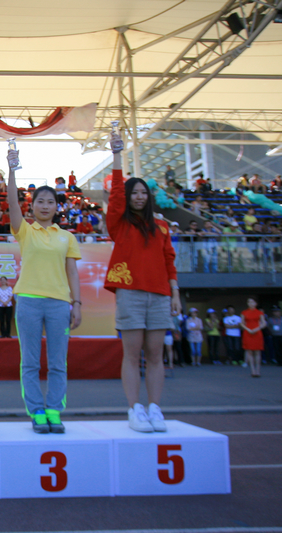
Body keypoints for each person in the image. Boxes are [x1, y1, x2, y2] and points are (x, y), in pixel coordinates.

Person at [104, 127, 180, 433]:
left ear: (149, 197)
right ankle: (135, 408)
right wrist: (117, 154)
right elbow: (116, 194)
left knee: (156, 354)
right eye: (134, 192)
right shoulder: (119, 224)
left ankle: (155, 408)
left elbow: (169, 261)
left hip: (160, 294)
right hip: (130, 293)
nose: (138, 197)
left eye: (143, 193)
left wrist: (175, 293)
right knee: (132, 354)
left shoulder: (161, 227)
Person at [7, 147, 82, 434]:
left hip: (59, 304)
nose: (45, 206)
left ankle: (54, 410)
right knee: (30, 362)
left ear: (56, 207)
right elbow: (12, 203)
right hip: (28, 301)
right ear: (33, 206)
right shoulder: (25, 231)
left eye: (50, 202)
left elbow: (72, 272)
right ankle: (36, 411)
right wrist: (12, 170)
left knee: (57, 363)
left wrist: (77, 303)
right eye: (40, 201)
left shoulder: (67, 237)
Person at [241, 297, 266, 378]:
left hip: (257, 332)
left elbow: (264, 323)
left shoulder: (259, 312)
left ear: (256, 303)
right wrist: (247, 329)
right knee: (249, 352)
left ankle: (258, 370)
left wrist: (257, 328)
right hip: (248, 332)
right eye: (249, 302)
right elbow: (242, 323)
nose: (251, 303)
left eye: (252, 302)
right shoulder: (244, 312)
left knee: (257, 352)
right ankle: (253, 370)